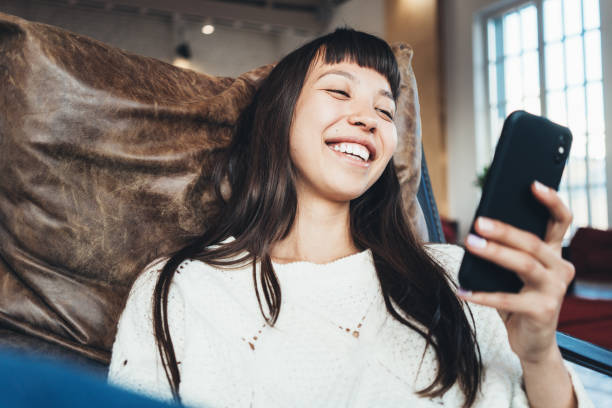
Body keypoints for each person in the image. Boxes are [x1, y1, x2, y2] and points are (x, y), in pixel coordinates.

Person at [108, 28, 592, 407]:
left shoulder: (454, 275)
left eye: (385, 110)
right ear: (279, 116)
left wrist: (538, 353)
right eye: (339, 92)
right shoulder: (178, 290)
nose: (368, 118)